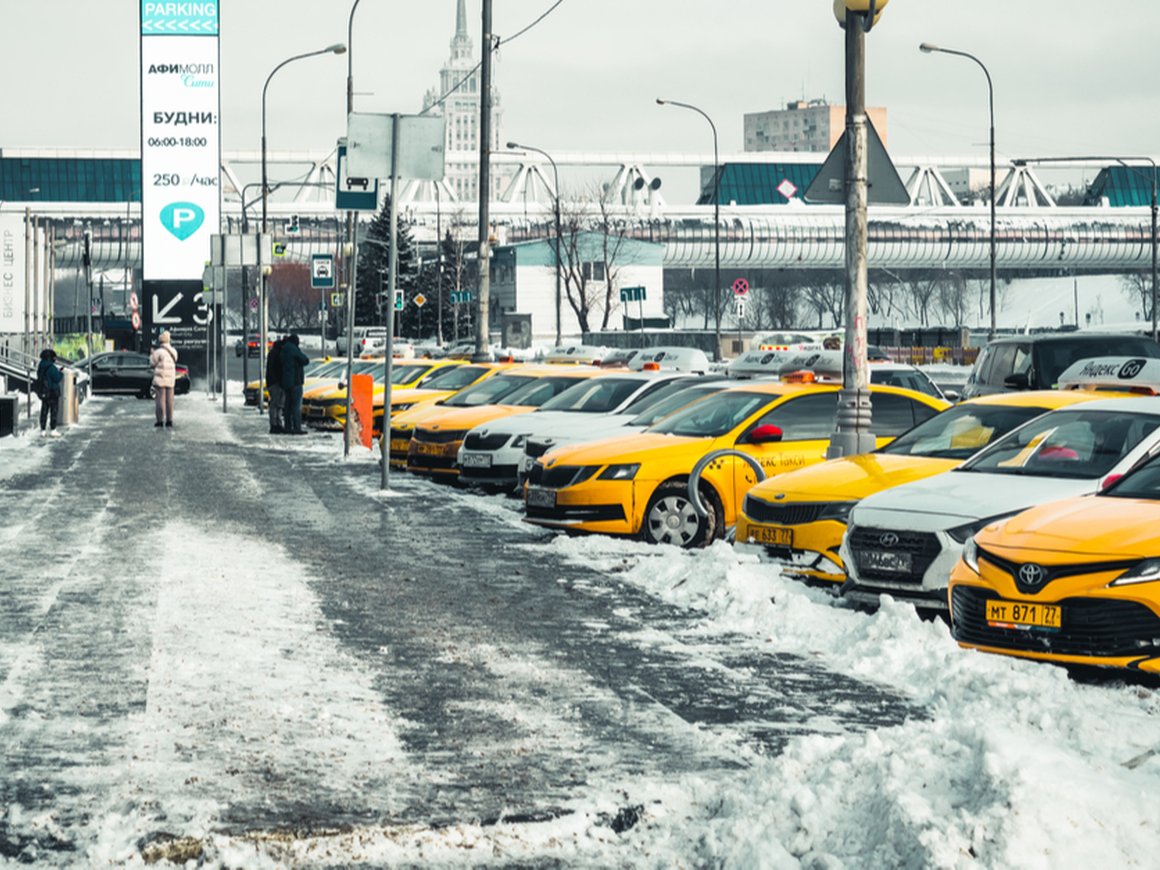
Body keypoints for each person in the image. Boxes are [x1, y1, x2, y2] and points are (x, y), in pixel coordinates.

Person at [280, 333, 310, 435]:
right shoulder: (294, 349)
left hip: (286, 382)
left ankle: (288, 426)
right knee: (296, 406)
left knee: (287, 405)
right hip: (295, 381)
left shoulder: (284, 350)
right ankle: (297, 427)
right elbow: (305, 360)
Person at [150, 330, 178, 428]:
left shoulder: (158, 352)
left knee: (160, 400)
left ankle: (160, 421)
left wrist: (152, 354)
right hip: (170, 379)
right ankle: (169, 421)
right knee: (170, 401)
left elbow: (152, 364)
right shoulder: (173, 351)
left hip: (160, 379)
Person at [36, 348, 63, 437]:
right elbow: (57, 378)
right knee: (53, 411)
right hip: (53, 392)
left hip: (44, 391)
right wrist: (60, 373)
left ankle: (42, 430)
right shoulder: (51, 367)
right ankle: (53, 429)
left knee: (44, 410)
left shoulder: (41, 366)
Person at [265, 336, 286, 433]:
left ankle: (275, 424)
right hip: (276, 383)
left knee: (275, 404)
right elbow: (279, 369)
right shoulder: (278, 354)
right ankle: (276, 424)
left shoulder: (272, 353)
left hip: (271, 382)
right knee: (277, 404)